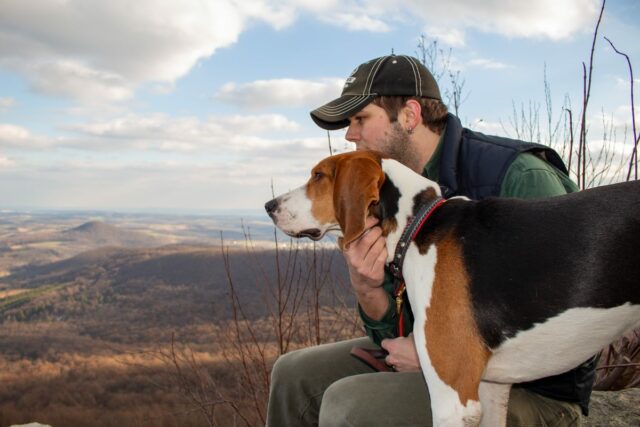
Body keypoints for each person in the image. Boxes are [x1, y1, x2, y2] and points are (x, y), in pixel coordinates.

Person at [265, 54, 596, 427]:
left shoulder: (518, 176)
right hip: (433, 354)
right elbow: (397, 330)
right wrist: (369, 290)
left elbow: (575, 309)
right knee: (294, 375)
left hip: (531, 389)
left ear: (409, 115)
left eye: (360, 119)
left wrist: (437, 353)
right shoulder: (383, 195)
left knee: (349, 405)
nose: (349, 134)